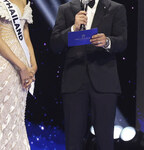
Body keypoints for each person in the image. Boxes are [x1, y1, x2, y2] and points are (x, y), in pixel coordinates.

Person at [50, 0, 127, 150]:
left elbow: (123, 42)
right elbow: (55, 45)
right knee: (73, 139)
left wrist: (107, 42)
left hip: (104, 80)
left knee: (105, 139)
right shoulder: (65, 9)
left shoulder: (115, 8)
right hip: (74, 80)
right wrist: (73, 28)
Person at [0, 0, 37, 149]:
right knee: (4, 113)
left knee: (17, 116)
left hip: (24, 64)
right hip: (4, 63)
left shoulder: (25, 1)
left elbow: (26, 37)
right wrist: (22, 67)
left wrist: (33, 65)